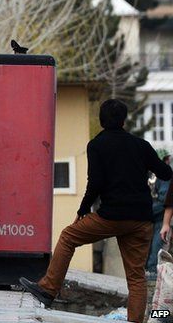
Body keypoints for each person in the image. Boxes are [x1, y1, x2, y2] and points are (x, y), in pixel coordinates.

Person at [19, 99, 172, 323]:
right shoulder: (140, 145)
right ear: (124, 120)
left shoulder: (97, 144)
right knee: (136, 277)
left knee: (68, 236)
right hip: (141, 220)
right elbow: (166, 173)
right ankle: (136, 321)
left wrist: (82, 210)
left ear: (101, 120)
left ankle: (48, 289)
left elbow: (96, 183)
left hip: (110, 216)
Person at [146, 154, 171, 277]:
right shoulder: (159, 173)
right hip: (154, 215)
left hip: (152, 216)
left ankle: (151, 274)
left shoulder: (159, 174)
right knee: (152, 248)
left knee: (152, 249)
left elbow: (164, 199)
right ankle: (151, 273)